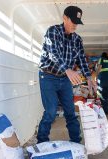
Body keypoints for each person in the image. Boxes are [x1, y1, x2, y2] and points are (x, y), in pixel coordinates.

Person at [37, 5, 95, 144]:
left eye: (77, 23)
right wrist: (68, 70)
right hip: (48, 76)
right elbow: (53, 53)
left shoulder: (77, 39)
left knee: (70, 112)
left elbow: (81, 58)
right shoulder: (53, 31)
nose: (75, 25)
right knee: (51, 112)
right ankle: (41, 143)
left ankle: (76, 142)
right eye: (73, 21)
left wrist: (88, 77)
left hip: (64, 79)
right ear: (64, 18)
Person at [96, 52, 108, 116]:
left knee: (104, 97)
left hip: (104, 81)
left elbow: (99, 67)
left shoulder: (101, 59)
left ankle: (107, 113)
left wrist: (96, 76)